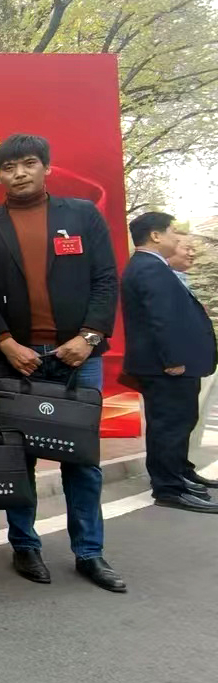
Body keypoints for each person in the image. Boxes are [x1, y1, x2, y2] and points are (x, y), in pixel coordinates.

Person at [0, 133, 124, 593]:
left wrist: (88, 338)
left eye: (29, 163)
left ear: (47, 167)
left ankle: (90, 552)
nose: (19, 173)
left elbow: (105, 279)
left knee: (82, 460)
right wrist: (5, 343)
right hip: (17, 358)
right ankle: (25, 544)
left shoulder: (82, 215)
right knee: (19, 456)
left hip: (78, 356)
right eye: (8, 167)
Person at [121, 212, 218, 510]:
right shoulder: (150, 268)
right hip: (165, 367)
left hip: (166, 365)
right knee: (169, 425)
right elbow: (161, 318)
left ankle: (180, 473)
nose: (176, 237)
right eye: (172, 231)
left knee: (179, 421)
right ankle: (169, 488)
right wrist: (173, 358)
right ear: (155, 235)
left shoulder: (153, 266)